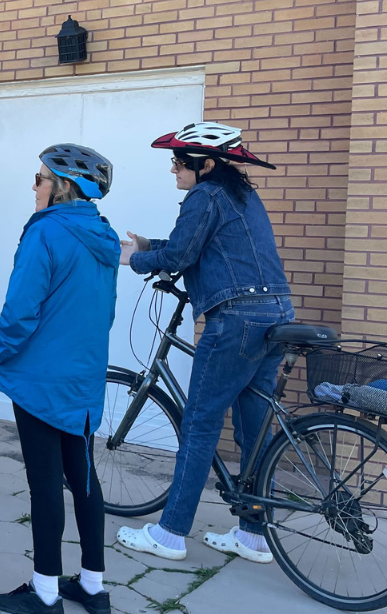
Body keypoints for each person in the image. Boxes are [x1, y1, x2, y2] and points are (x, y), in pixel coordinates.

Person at [116, 122, 291, 565]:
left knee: (199, 425)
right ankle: (253, 534)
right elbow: (196, 246)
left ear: (206, 165)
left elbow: (179, 257)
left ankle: (170, 533)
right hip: (275, 315)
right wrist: (149, 243)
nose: (174, 170)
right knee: (254, 428)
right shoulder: (240, 196)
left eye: (179, 163)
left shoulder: (204, 195)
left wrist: (133, 257)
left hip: (235, 320)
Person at [0, 144, 120, 614]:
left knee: (44, 484)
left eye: (40, 178)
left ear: (64, 186)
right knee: (83, 479)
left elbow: (21, 310)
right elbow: (105, 313)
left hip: (41, 379)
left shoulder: (45, 234)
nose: (34, 186)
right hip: (82, 380)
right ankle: (93, 586)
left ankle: (45, 594)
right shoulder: (103, 236)